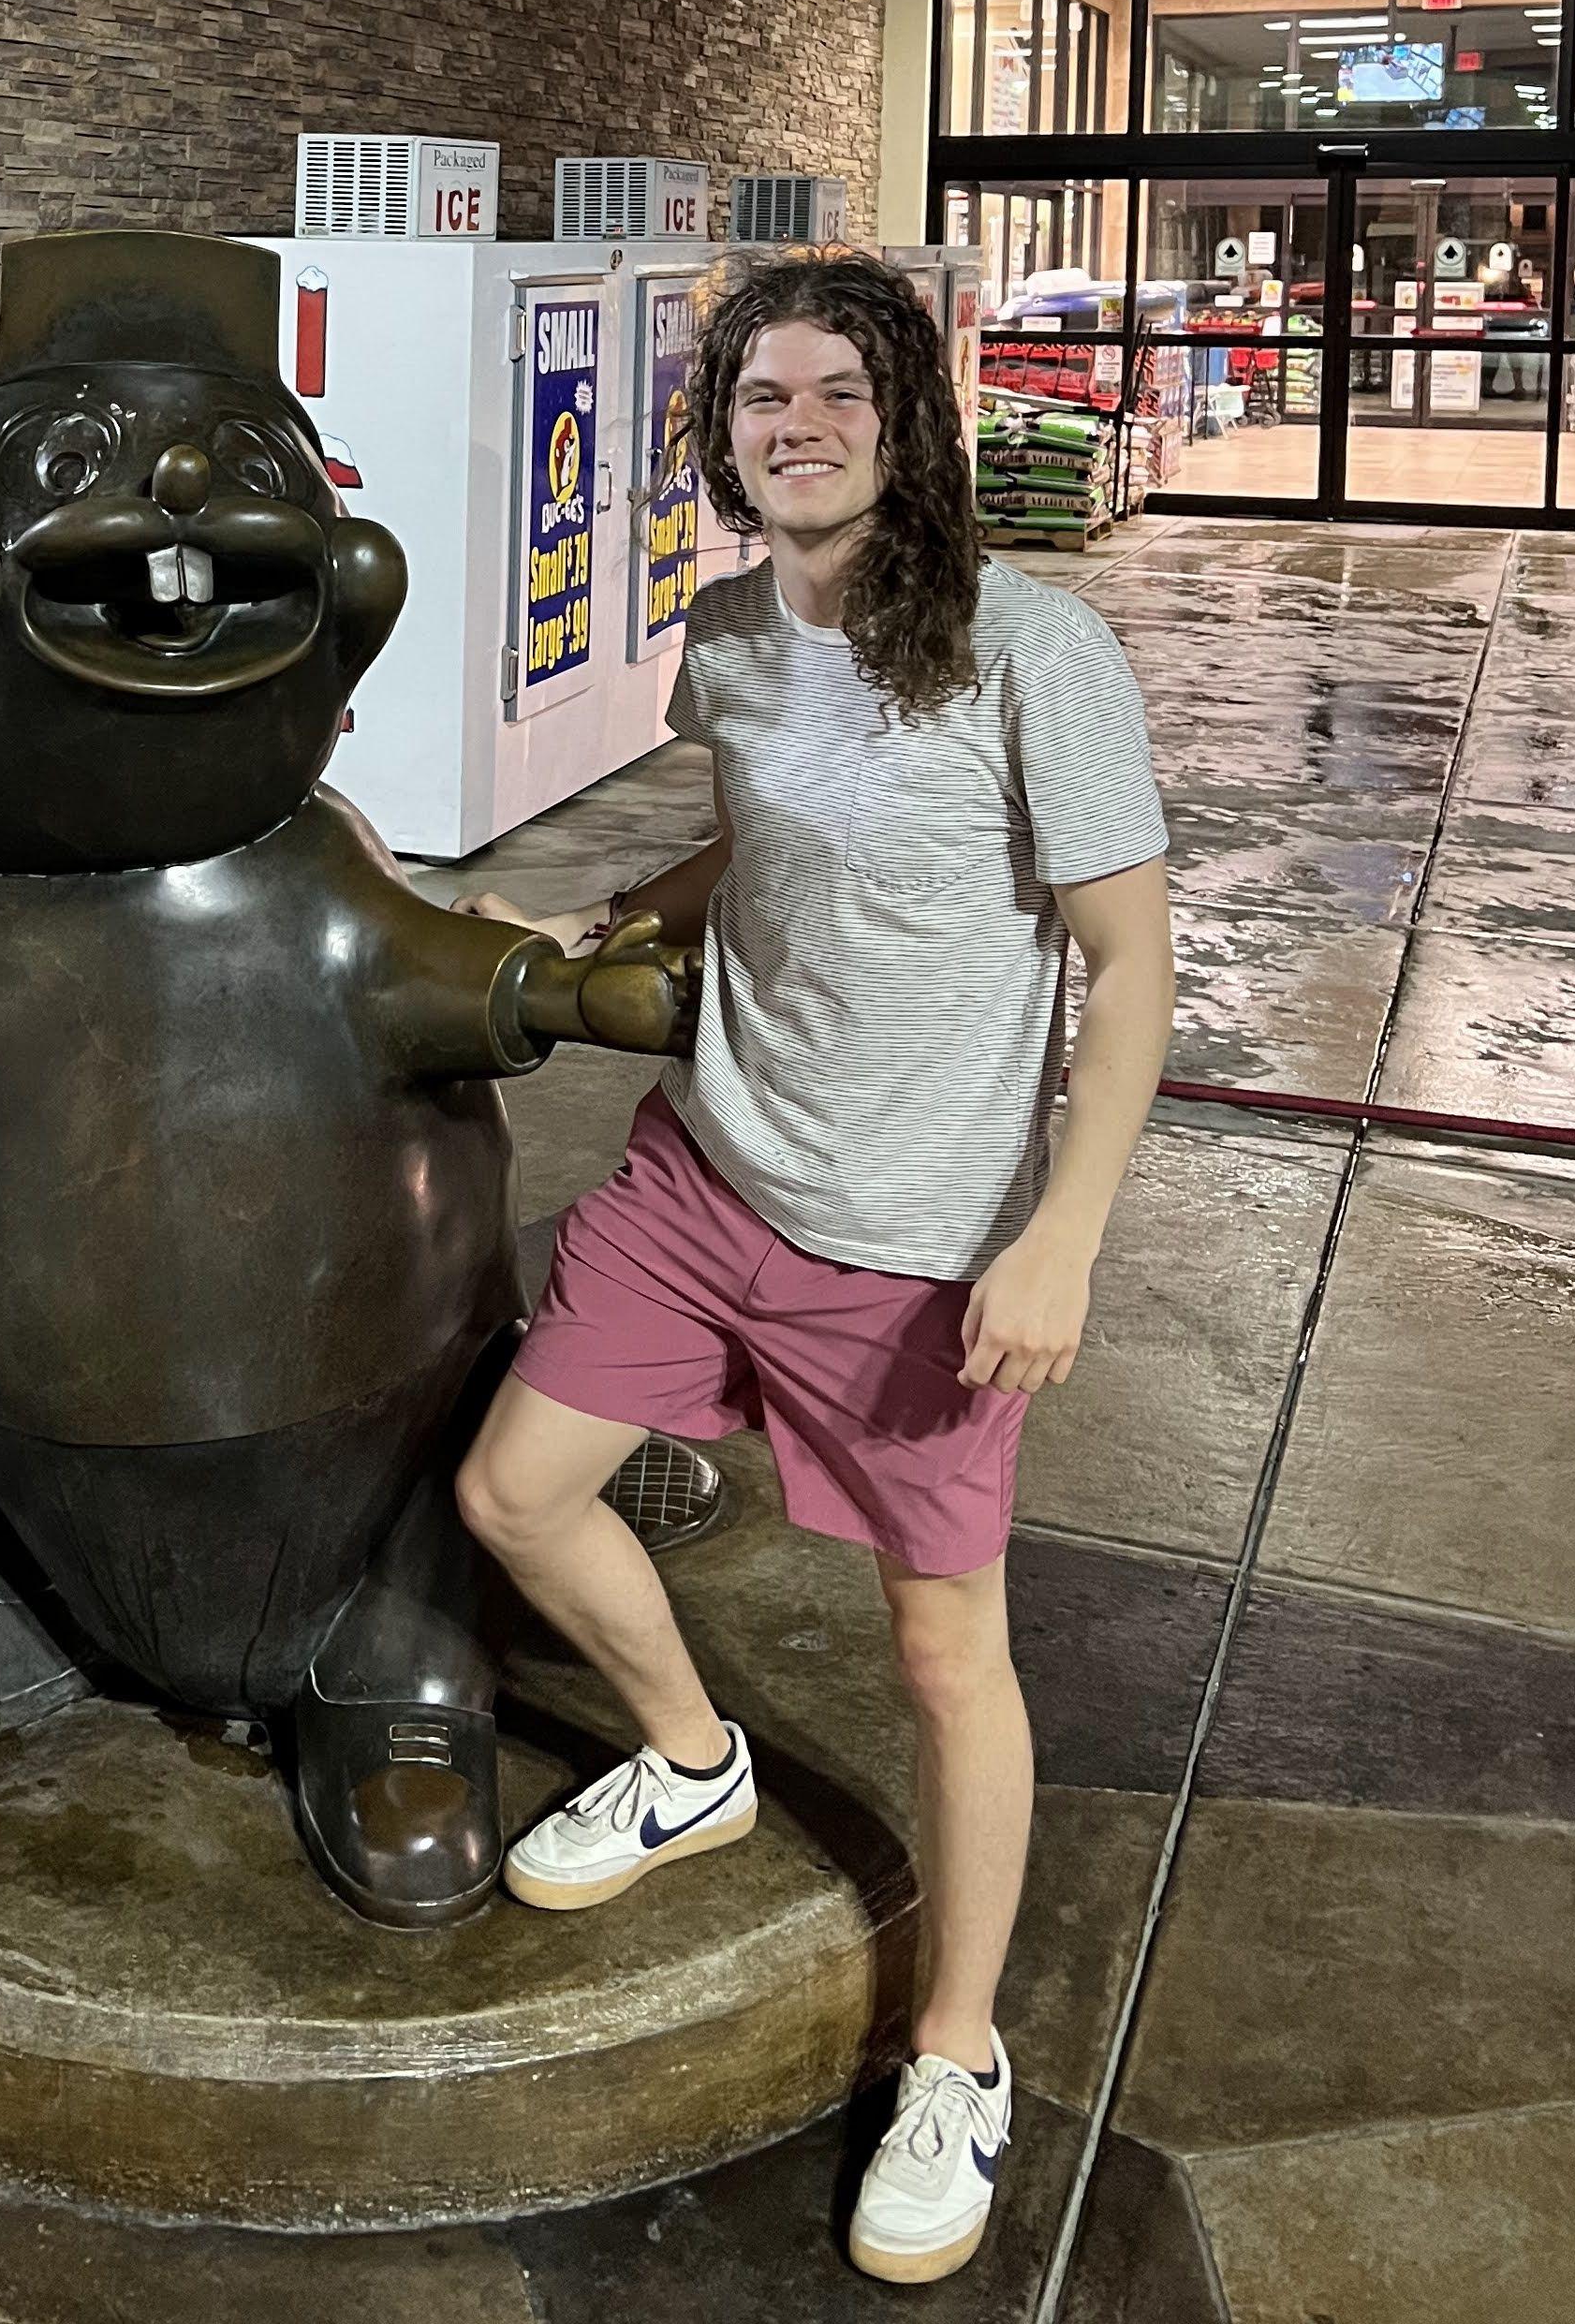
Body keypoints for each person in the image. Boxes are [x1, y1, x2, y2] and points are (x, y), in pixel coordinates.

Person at [454, 250, 1173, 2287]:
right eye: (763, 397)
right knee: (513, 1491)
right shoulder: (730, 639)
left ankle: (956, 2050)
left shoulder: (1037, 652)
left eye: (839, 394)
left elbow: (1129, 970)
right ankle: (693, 1758)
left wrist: (1062, 1235)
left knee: (949, 1659)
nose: (798, 425)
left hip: (921, 1243)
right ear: (721, 435)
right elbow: (762, 844)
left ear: (910, 421)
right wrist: (596, 910)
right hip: (710, 1177)